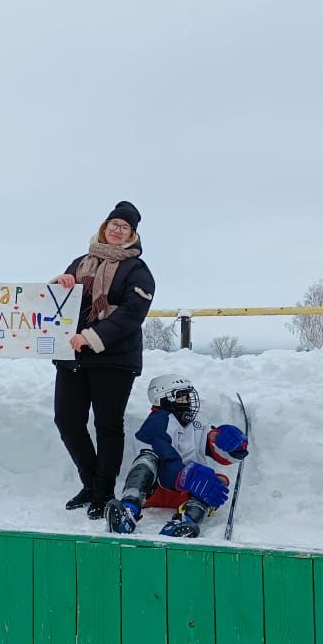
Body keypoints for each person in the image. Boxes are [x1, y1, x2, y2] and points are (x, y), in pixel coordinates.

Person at [53, 201, 155, 519]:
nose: (117, 230)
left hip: (114, 358)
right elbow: (56, 302)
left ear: (132, 236)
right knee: (67, 420)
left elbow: (130, 314)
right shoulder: (81, 262)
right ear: (104, 227)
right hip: (73, 356)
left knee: (107, 425)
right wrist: (60, 283)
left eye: (124, 227)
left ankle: (103, 491)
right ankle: (91, 482)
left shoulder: (137, 271)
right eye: (113, 224)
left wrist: (92, 337)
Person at [105, 374, 248, 538]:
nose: (188, 400)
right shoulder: (157, 422)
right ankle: (129, 510)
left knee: (214, 481)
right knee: (147, 460)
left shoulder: (196, 422)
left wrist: (229, 444)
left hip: (186, 492)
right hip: (156, 490)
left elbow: (216, 452)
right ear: (165, 398)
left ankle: (186, 520)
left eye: (188, 396)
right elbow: (163, 456)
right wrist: (187, 476)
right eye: (182, 396)